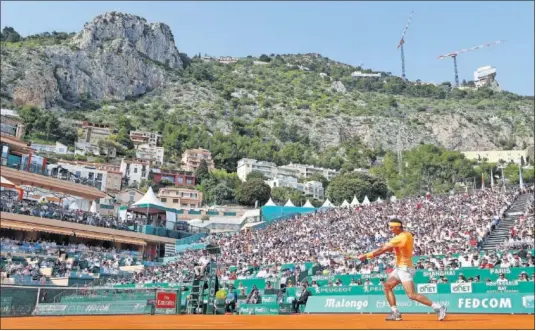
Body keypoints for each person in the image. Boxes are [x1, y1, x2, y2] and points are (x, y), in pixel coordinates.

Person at [357, 218, 447, 321]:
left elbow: (382, 250)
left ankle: (439, 307)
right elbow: (392, 248)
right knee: (387, 286)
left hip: (405, 269)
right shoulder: (406, 234)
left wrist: (365, 256)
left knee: (412, 295)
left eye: (391, 227)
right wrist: (389, 247)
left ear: (398, 227)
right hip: (400, 268)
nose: (390, 229)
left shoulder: (400, 238)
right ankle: (395, 312)